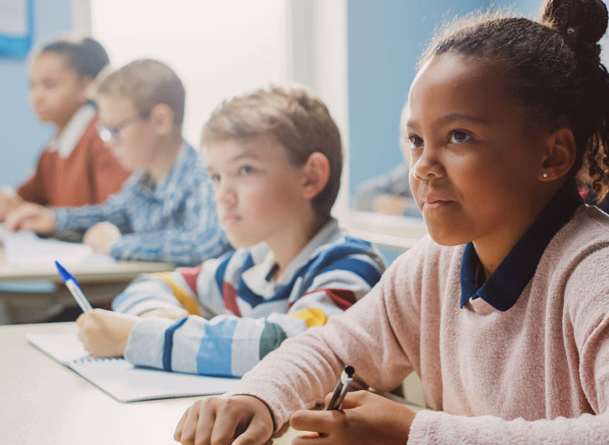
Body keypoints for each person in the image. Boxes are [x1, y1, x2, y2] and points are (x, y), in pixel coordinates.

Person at [173, 0, 609, 445]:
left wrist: (418, 443)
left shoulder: (601, 268)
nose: (423, 167)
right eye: (415, 140)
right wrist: (260, 397)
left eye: (458, 137)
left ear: (552, 155)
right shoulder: (435, 265)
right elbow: (333, 348)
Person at [74, 86, 386, 377]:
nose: (223, 195)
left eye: (245, 170)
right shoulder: (247, 266)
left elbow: (293, 349)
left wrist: (139, 336)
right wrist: (159, 315)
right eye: (216, 177)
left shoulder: (352, 266)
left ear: (311, 178)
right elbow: (146, 286)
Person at [4, 59, 230, 266]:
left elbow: (204, 243)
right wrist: (54, 219)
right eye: (104, 130)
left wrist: (117, 246)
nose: (108, 142)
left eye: (114, 130)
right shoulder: (143, 179)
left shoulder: (204, 175)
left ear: (160, 121)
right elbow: (113, 214)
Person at [0, 35, 129, 220]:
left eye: (49, 85)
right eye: (32, 85)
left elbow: (115, 215)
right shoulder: (53, 147)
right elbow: (29, 199)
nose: (37, 96)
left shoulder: (103, 138)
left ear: (86, 87)